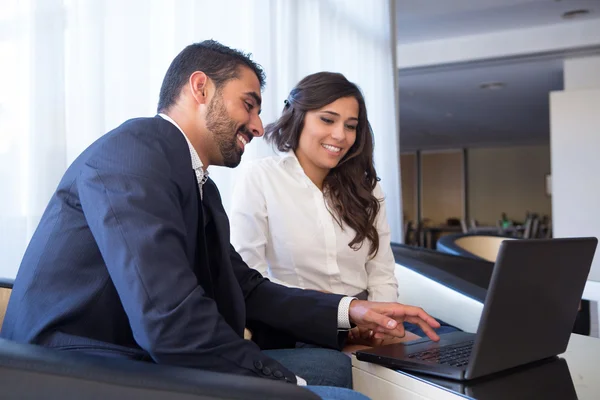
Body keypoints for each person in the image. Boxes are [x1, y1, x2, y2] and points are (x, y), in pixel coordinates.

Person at [0, 41, 440, 400]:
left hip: (134, 351)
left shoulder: (198, 184)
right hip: (75, 368)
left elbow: (246, 288)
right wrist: (285, 385)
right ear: (200, 88)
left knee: (331, 365)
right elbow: (169, 319)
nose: (258, 124)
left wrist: (351, 310)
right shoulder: (133, 153)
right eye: (248, 105)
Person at [230, 72, 457, 350]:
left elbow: (381, 271)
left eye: (351, 126)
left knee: (452, 345)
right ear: (298, 117)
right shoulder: (260, 177)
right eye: (327, 119)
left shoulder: (366, 188)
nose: (340, 135)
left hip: (370, 320)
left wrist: (379, 323)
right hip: (302, 323)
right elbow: (249, 277)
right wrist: (342, 313)